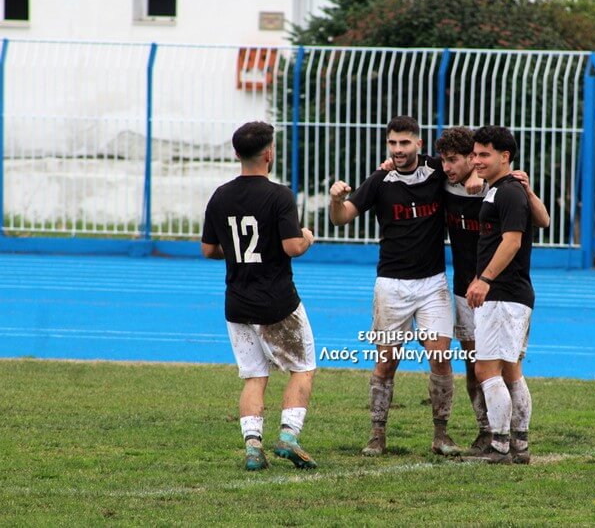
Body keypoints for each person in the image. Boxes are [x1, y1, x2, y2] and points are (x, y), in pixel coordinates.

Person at [329, 115, 462, 457]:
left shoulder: (437, 170)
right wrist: (336, 200)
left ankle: (441, 435)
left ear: (419, 143)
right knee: (386, 362)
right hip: (391, 286)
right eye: (393, 143)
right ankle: (377, 434)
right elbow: (341, 218)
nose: (398, 149)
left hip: (432, 284)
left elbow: (465, 168)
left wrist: (477, 176)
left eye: (405, 142)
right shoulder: (379, 180)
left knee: (441, 359)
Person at [201, 121, 318, 471]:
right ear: (268, 154)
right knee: (302, 368)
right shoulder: (279, 195)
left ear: (237, 153)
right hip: (277, 301)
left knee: (254, 376)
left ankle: (253, 447)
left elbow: (209, 250)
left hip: (237, 302)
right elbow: (292, 246)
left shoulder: (220, 195)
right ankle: (288, 437)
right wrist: (307, 237)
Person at [434, 127, 549, 457]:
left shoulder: (507, 191)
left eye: (484, 155)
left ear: (505, 156)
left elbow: (512, 242)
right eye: (475, 154)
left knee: (486, 370)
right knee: (511, 370)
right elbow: (543, 221)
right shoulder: (504, 189)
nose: (477, 161)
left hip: (502, 294)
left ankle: (499, 444)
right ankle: (519, 444)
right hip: (509, 293)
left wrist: (484, 279)